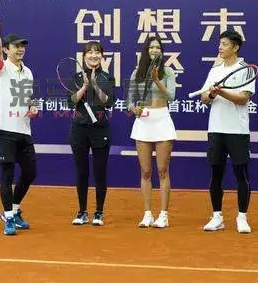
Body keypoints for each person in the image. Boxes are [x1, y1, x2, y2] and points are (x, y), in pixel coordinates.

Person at [200, 30, 255, 233]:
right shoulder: (215, 70)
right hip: (216, 129)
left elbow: (242, 98)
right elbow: (204, 98)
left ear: (235, 47)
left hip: (238, 131)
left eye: (224, 44)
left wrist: (222, 91)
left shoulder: (246, 70)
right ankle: (217, 217)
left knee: (241, 174)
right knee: (216, 174)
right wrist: (212, 94)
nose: (220, 47)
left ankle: (242, 217)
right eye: (220, 44)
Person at [0, 13, 38, 236]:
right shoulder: (0, 68)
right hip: (5, 129)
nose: (20, 49)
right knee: (7, 174)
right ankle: (8, 217)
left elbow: (29, 98)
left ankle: (15, 209)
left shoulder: (28, 72)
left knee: (30, 172)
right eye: (16, 46)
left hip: (24, 130)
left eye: (22, 46)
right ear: (7, 50)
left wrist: (33, 107)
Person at [127, 36, 177, 228]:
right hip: (143, 122)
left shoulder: (168, 72)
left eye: (158, 47)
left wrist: (157, 80)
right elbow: (130, 100)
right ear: (146, 50)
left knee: (162, 170)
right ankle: (147, 214)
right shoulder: (137, 72)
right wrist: (134, 109)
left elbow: (171, 96)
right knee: (146, 171)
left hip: (162, 119)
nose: (155, 50)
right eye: (151, 47)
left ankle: (163, 215)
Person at [68, 41, 115, 226]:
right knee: (82, 172)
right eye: (90, 52)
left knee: (99, 172)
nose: (93, 55)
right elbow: (71, 102)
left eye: (97, 52)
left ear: (101, 56)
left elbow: (108, 102)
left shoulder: (107, 77)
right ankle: (82, 212)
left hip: (100, 129)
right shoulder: (76, 77)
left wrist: (94, 84)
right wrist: (84, 87)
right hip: (79, 129)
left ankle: (99, 212)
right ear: (84, 56)